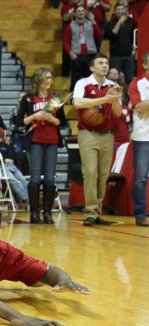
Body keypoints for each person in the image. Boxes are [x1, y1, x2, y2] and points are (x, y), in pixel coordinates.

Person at [73, 54, 122, 226]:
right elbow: (78, 103)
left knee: (103, 176)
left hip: (107, 134)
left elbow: (117, 112)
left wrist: (115, 99)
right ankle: (90, 213)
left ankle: (97, 212)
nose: (104, 66)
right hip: (88, 133)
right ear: (92, 68)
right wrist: (105, 99)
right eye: (100, 63)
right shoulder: (83, 83)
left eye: (106, 63)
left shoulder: (113, 85)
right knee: (91, 173)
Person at [16, 68, 65, 224]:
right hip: (35, 141)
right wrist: (34, 116)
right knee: (35, 177)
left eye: (50, 77)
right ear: (38, 81)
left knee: (50, 178)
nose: (49, 80)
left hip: (52, 141)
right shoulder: (29, 99)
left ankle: (48, 213)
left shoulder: (55, 98)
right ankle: (34, 213)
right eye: (46, 78)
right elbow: (18, 122)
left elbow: (62, 122)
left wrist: (51, 118)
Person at [128, 52, 149, 227]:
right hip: (143, 137)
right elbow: (140, 107)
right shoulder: (137, 84)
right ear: (145, 65)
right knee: (141, 177)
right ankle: (141, 213)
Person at [64, 6, 102, 90]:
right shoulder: (70, 26)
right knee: (75, 80)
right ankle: (73, 99)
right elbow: (66, 42)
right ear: (75, 14)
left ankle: (91, 98)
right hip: (77, 55)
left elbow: (98, 35)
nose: (81, 12)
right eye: (78, 11)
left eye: (82, 11)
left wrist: (93, 21)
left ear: (85, 13)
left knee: (91, 79)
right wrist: (71, 54)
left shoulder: (90, 23)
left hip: (90, 55)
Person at [105, 3, 137, 86]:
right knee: (113, 79)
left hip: (128, 56)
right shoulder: (110, 24)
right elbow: (112, 35)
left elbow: (133, 37)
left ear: (125, 10)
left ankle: (130, 97)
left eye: (122, 9)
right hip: (115, 56)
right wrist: (119, 22)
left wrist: (133, 47)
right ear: (115, 12)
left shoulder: (130, 23)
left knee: (130, 79)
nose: (120, 11)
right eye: (118, 9)